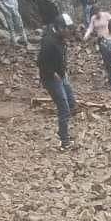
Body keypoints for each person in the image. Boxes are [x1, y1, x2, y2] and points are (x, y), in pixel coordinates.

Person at [38, 13, 77, 150]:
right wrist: (53, 74)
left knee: (71, 103)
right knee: (64, 108)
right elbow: (41, 63)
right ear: (60, 28)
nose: (69, 31)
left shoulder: (60, 37)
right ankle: (64, 141)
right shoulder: (49, 42)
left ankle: (63, 131)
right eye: (67, 29)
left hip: (61, 75)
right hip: (52, 79)